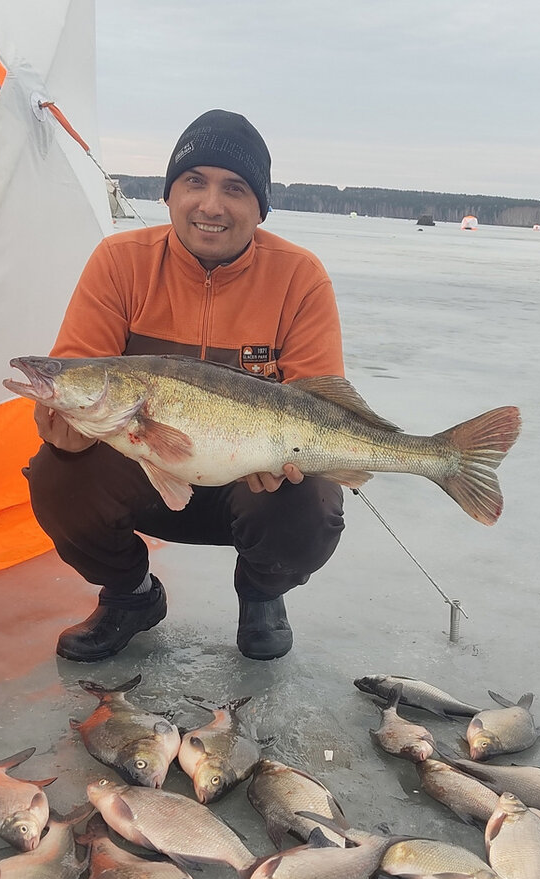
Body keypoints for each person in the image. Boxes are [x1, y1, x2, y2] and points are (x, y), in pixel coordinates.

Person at [24, 109, 346, 663]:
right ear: (169, 194)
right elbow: (76, 368)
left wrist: (295, 458)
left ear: (259, 207)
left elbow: (321, 402)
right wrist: (63, 431)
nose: (211, 205)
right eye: (194, 181)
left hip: (251, 481)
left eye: (235, 189)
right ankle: (131, 596)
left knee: (310, 500)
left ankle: (262, 594)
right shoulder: (119, 263)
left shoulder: (300, 276)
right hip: (145, 468)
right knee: (57, 476)